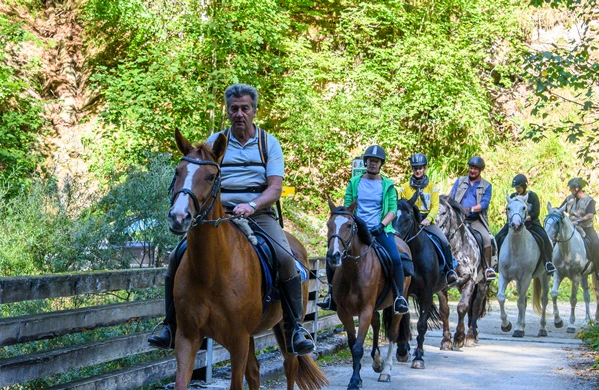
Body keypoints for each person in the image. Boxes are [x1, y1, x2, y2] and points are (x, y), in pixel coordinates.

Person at [149, 83, 314, 355]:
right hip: (218, 215)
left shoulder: (268, 143)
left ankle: (295, 328)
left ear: (254, 111)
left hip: (259, 214)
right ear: (227, 112)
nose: (239, 113)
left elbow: (274, 188)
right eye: (234, 109)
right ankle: (170, 324)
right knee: (175, 256)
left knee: (286, 259)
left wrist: (252, 204)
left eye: (245, 108)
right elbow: (200, 176)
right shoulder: (216, 141)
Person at [319, 145, 409, 315]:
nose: (372, 164)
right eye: (370, 161)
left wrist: (381, 225)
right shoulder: (354, 182)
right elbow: (348, 207)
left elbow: (391, 209)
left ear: (380, 164)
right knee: (332, 253)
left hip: (380, 229)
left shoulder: (388, 185)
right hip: (356, 229)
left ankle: (398, 298)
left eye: (376, 161)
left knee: (395, 258)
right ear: (365, 162)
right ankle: (331, 295)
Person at [401, 153, 458, 285]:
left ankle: (450, 271)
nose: (418, 171)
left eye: (420, 168)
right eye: (415, 168)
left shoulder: (432, 187)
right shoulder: (404, 187)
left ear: (425, 168)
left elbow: (435, 205)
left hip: (427, 221)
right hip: (411, 221)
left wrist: (429, 219)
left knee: (444, 242)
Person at [494, 173, 556, 275]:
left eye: (518, 187)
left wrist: (525, 219)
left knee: (544, 238)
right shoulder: (513, 197)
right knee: (497, 237)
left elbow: (536, 212)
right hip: (515, 224)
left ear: (524, 185)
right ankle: (496, 263)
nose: (517, 189)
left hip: (531, 223)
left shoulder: (533, 196)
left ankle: (548, 263)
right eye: (515, 187)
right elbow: (509, 211)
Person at [449, 156, 496, 281]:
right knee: (445, 235)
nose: (472, 171)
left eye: (475, 169)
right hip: (458, 219)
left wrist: (470, 209)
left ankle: (487, 268)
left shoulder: (486, 186)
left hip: (475, 220)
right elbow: (452, 196)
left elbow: (485, 203)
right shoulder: (460, 181)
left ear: (480, 170)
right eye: (471, 168)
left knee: (486, 238)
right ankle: (446, 268)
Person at [561, 177, 599, 281]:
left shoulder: (589, 200)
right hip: (571, 227)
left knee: (596, 244)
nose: (569, 190)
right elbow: (561, 209)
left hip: (586, 228)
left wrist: (578, 221)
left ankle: (598, 269)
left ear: (577, 188)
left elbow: (590, 215)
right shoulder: (569, 199)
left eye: (571, 188)